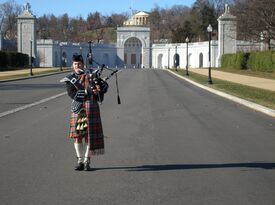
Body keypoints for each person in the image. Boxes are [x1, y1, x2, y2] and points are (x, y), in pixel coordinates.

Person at [62, 54, 105, 171]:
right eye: (75, 64)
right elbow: (72, 94)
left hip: (91, 107)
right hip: (78, 108)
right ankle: (80, 161)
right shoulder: (70, 79)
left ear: (83, 64)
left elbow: (101, 91)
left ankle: (87, 161)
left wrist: (98, 89)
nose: (77, 66)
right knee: (78, 137)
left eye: (79, 64)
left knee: (88, 136)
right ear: (72, 65)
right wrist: (88, 91)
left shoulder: (91, 76)